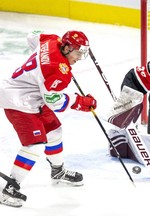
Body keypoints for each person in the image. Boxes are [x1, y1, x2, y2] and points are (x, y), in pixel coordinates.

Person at [0, 30, 97, 207]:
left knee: (54, 131)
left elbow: (32, 36)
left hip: (32, 96)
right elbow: (54, 102)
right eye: (78, 53)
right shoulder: (57, 70)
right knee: (35, 145)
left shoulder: (52, 39)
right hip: (19, 101)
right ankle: (9, 189)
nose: (80, 57)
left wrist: (42, 63)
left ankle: (57, 171)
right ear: (67, 48)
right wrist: (81, 102)